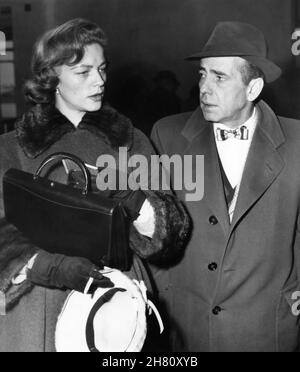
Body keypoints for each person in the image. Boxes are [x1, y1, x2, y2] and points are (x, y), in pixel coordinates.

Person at [0, 18, 190, 352]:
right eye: (84, 72)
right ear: (51, 77)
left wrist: (133, 200)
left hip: (115, 313)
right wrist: (47, 266)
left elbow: (169, 237)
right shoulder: (12, 148)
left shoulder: (132, 142)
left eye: (102, 69)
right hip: (35, 313)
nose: (99, 81)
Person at [150, 21, 300, 352]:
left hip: (267, 332)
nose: (204, 87)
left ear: (253, 88)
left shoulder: (297, 143)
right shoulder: (167, 136)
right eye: (203, 74)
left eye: (220, 77)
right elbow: (149, 231)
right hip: (186, 333)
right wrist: (167, 294)